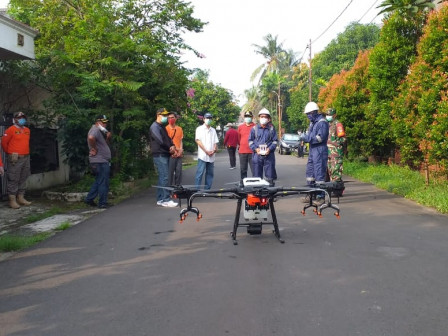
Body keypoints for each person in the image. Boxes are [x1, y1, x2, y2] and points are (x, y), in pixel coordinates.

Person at [300, 102, 329, 205]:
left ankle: (320, 197)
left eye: (309, 113)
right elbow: (310, 135)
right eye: (307, 114)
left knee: (319, 174)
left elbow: (320, 138)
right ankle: (311, 195)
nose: (308, 116)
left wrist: (306, 138)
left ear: (315, 112)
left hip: (320, 151)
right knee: (310, 173)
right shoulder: (313, 123)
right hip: (313, 151)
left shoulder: (322, 122)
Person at [1, 112, 32, 209]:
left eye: (23, 117)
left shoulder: (27, 130)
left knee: (23, 176)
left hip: (26, 157)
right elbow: (4, 143)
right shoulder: (10, 130)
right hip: (15, 158)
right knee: (14, 178)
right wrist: (10, 153)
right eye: (19, 118)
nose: (21, 119)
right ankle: (12, 200)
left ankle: (21, 197)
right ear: (15, 119)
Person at [149, 108, 178, 207]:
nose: (166, 118)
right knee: (165, 176)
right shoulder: (154, 127)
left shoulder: (161, 126)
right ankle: (166, 199)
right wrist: (170, 148)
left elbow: (168, 138)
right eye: (164, 116)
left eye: (167, 116)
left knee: (162, 177)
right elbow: (160, 140)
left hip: (164, 153)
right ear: (158, 115)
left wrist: (173, 145)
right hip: (159, 154)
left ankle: (160, 198)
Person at [85, 114, 113, 209]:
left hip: (100, 160)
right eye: (103, 122)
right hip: (99, 161)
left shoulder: (100, 131)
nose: (105, 124)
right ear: (98, 122)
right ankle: (102, 203)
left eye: (106, 122)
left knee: (99, 181)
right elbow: (91, 138)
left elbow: (103, 144)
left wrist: (108, 137)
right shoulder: (95, 129)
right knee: (103, 182)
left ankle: (89, 199)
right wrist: (94, 148)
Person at [248, 108, 278, 186]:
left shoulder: (271, 129)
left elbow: (275, 141)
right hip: (257, 156)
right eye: (262, 116)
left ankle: (270, 196)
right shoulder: (254, 129)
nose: (263, 118)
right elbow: (250, 141)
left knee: (270, 178)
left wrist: (270, 149)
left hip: (269, 156)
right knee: (257, 178)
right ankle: (258, 195)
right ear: (259, 118)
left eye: (265, 117)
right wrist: (255, 149)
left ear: (268, 119)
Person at [195, 112, 219, 190]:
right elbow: (198, 141)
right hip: (203, 155)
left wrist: (214, 149)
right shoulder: (199, 129)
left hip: (211, 155)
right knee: (200, 173)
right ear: (204, 119)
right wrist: (206, 151)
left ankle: (207, 189)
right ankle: (196, 190)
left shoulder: (213, 130)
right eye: (207, 118)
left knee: (210, 174)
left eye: (210, 118)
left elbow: (215, 142)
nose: (208, 120)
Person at [166, 112, 184, 186]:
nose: (171, 119)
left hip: (179, 154)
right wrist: (176, 151)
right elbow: (166, 142)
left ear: (176, 118)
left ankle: (177, 189)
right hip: (171, 154)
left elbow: (181, 140)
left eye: (172, 117)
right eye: (169, 118)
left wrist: (181, 150)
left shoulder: (179, 129)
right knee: (170, 173)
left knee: (179, 172)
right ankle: (169, 191)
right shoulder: (166, 129)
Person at [238, 111, 255, 180]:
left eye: (249, 116)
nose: (247, 118)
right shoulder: (240, 127)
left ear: (252, 117)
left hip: (253, 152)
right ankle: (243, 184)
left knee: (254, 170)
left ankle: (256, 185)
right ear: (244, 117)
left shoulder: (255, 127)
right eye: (246, 116)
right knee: (243, 169)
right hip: (242, 152)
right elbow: (239, 138)